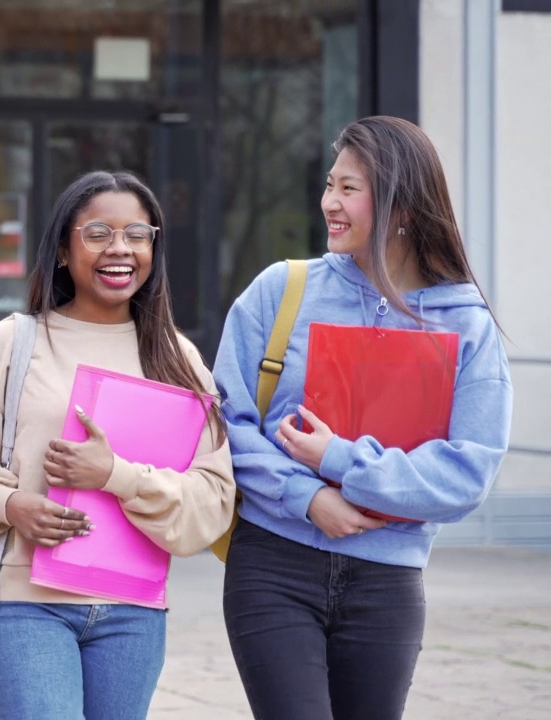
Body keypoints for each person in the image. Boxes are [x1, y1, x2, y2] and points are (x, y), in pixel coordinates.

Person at [214, 116, 513, 720]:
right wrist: (306, 496)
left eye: (348, 189)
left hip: (388, 577)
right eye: (330, 185)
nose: (329, 202)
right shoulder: (282, 291)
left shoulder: (467, 324)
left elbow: (469, 471)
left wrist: (340, 462)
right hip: (274, 562)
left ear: (401, 202)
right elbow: (223, 423)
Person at [0, 170, 236, 720]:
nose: (119, 249)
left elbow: (213, 503)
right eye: (98, 233)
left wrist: (114, 475)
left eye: (137, 234)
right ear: (62, 250)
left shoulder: (179, 361)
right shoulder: (15, 342)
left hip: (134, 609)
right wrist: (11, 505)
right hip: (28, 605)